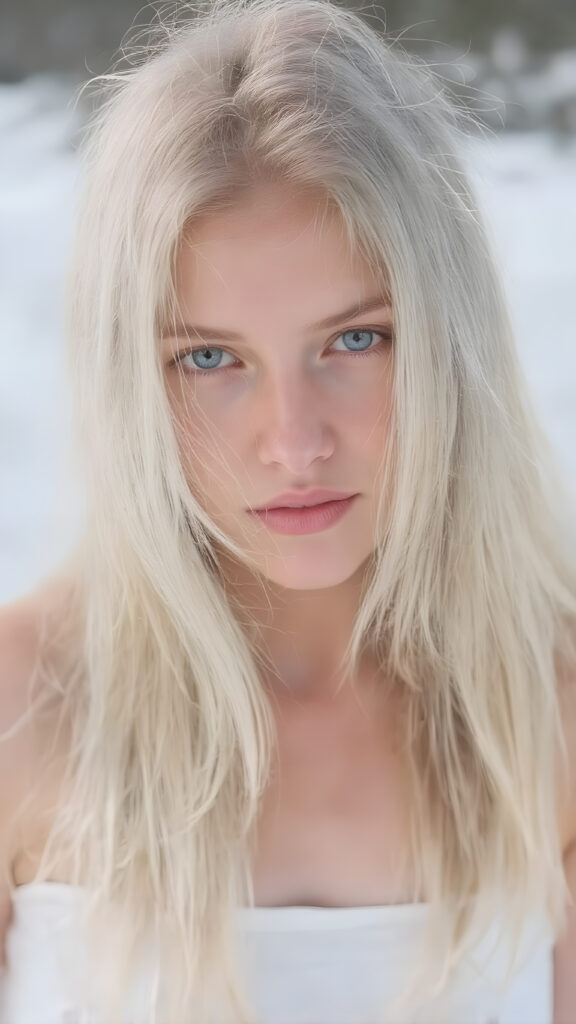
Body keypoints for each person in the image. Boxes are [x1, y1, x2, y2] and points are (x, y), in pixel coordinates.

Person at [1, 0, 576, 1021]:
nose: (296, 441)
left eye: (355, 342)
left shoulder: (546, 709)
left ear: (450, 339)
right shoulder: (24, 705)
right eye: (211, 359)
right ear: (133, 375)